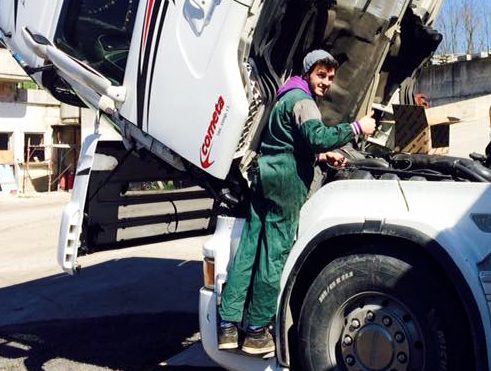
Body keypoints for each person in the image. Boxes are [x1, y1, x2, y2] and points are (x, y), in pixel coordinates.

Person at [218, 49, 376, 355]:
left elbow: (288, 142)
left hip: (265, 174)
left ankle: (227, 325)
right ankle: (255, 332)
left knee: (249, 249)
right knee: (273, 255)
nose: (326, 82)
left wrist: (319, 157)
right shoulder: (304, 101)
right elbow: (315, 135)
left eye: (330, 78)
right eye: (321, 75)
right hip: (285, 183)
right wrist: (357, 129)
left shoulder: (285, 96)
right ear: (308, 72)